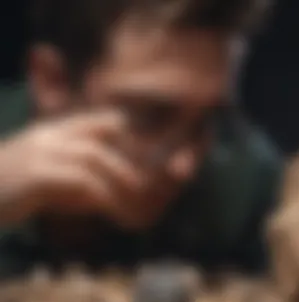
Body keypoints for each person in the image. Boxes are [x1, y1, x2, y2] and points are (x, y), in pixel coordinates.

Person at [0, 0, 282, 277]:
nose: (184, 166)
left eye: (208, 121)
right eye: (150, 116)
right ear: (53, 82)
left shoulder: (246, 179)